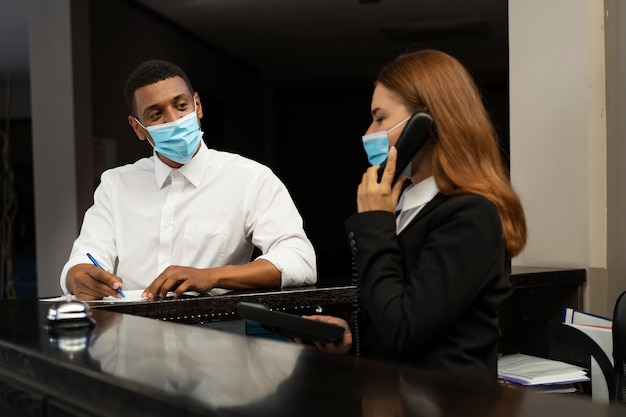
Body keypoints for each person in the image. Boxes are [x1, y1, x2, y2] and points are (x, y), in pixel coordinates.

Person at [300, 49, 527, 381]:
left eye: (380, 117)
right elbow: (394, 306)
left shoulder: (471, 213)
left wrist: (375, 224)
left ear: (426, 123)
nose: (368, 132)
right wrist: (350, 334)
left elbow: (403, 331)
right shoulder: (405, 202)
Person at [60, 59, 317, 300]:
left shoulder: (250, 179)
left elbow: (299, 260)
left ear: (198, 105)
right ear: (138, 127)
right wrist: (76, 277)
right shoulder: (116, 185)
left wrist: (211, 276)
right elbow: (85, 259)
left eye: (181, 106)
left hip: (216, 337)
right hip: (128, 337)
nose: (173, 120)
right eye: (156, 114)